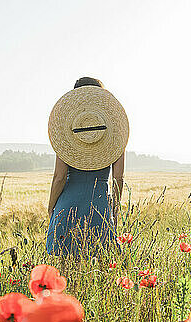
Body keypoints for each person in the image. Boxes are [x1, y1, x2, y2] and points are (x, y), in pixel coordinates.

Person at [46, 77, 129, 258]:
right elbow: (118, 178)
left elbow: (59, 178)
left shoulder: (66, 135)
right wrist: (114, 208)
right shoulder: (116, 136)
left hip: (67, 206)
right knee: (101, 268)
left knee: (64, 269)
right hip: (99, 205)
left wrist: (51, 207)